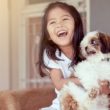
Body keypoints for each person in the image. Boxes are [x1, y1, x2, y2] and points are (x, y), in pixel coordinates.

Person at [39, 1, 110, 110]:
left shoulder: (85, 48)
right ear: (48, 35)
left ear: (76, 25)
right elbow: (58, 83)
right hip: (63, 105)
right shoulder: (51, 53)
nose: (59, 24)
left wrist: (102, 86)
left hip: (92, 103)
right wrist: (87, 80)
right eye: (52, 22)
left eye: (65, 19)